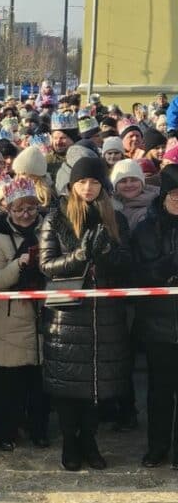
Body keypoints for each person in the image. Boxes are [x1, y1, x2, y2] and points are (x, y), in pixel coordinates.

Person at [38, 156, 132, 472]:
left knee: (96, 382)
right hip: (67, 313)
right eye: (82, 182)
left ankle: (90, 440)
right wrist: (79, 256)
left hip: (104, 313)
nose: (88, 188)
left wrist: (106, 254)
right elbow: (47, 265)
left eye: (94, 182)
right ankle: (70, 441)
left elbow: (127, 265)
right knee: (68, 382)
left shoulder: (116, 218)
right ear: (72, 185)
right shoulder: (56, 218)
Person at [0, 176, 51, 451]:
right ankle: (5, 432)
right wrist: (18, 265)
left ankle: (39, 429)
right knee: (8, 382)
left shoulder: (47, 231)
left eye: (31, 209)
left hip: (41, 315)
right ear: (7, 210)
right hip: (9, 318)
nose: (25, 215)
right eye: (19, 209)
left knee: (39, 382)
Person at [130, 164, 178, 469]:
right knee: (160, 390)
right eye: (174, 195)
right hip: (159, 322)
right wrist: (169, 266)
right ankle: (157, 446)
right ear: (163, 197)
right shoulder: (148, 226)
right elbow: (143, 271)